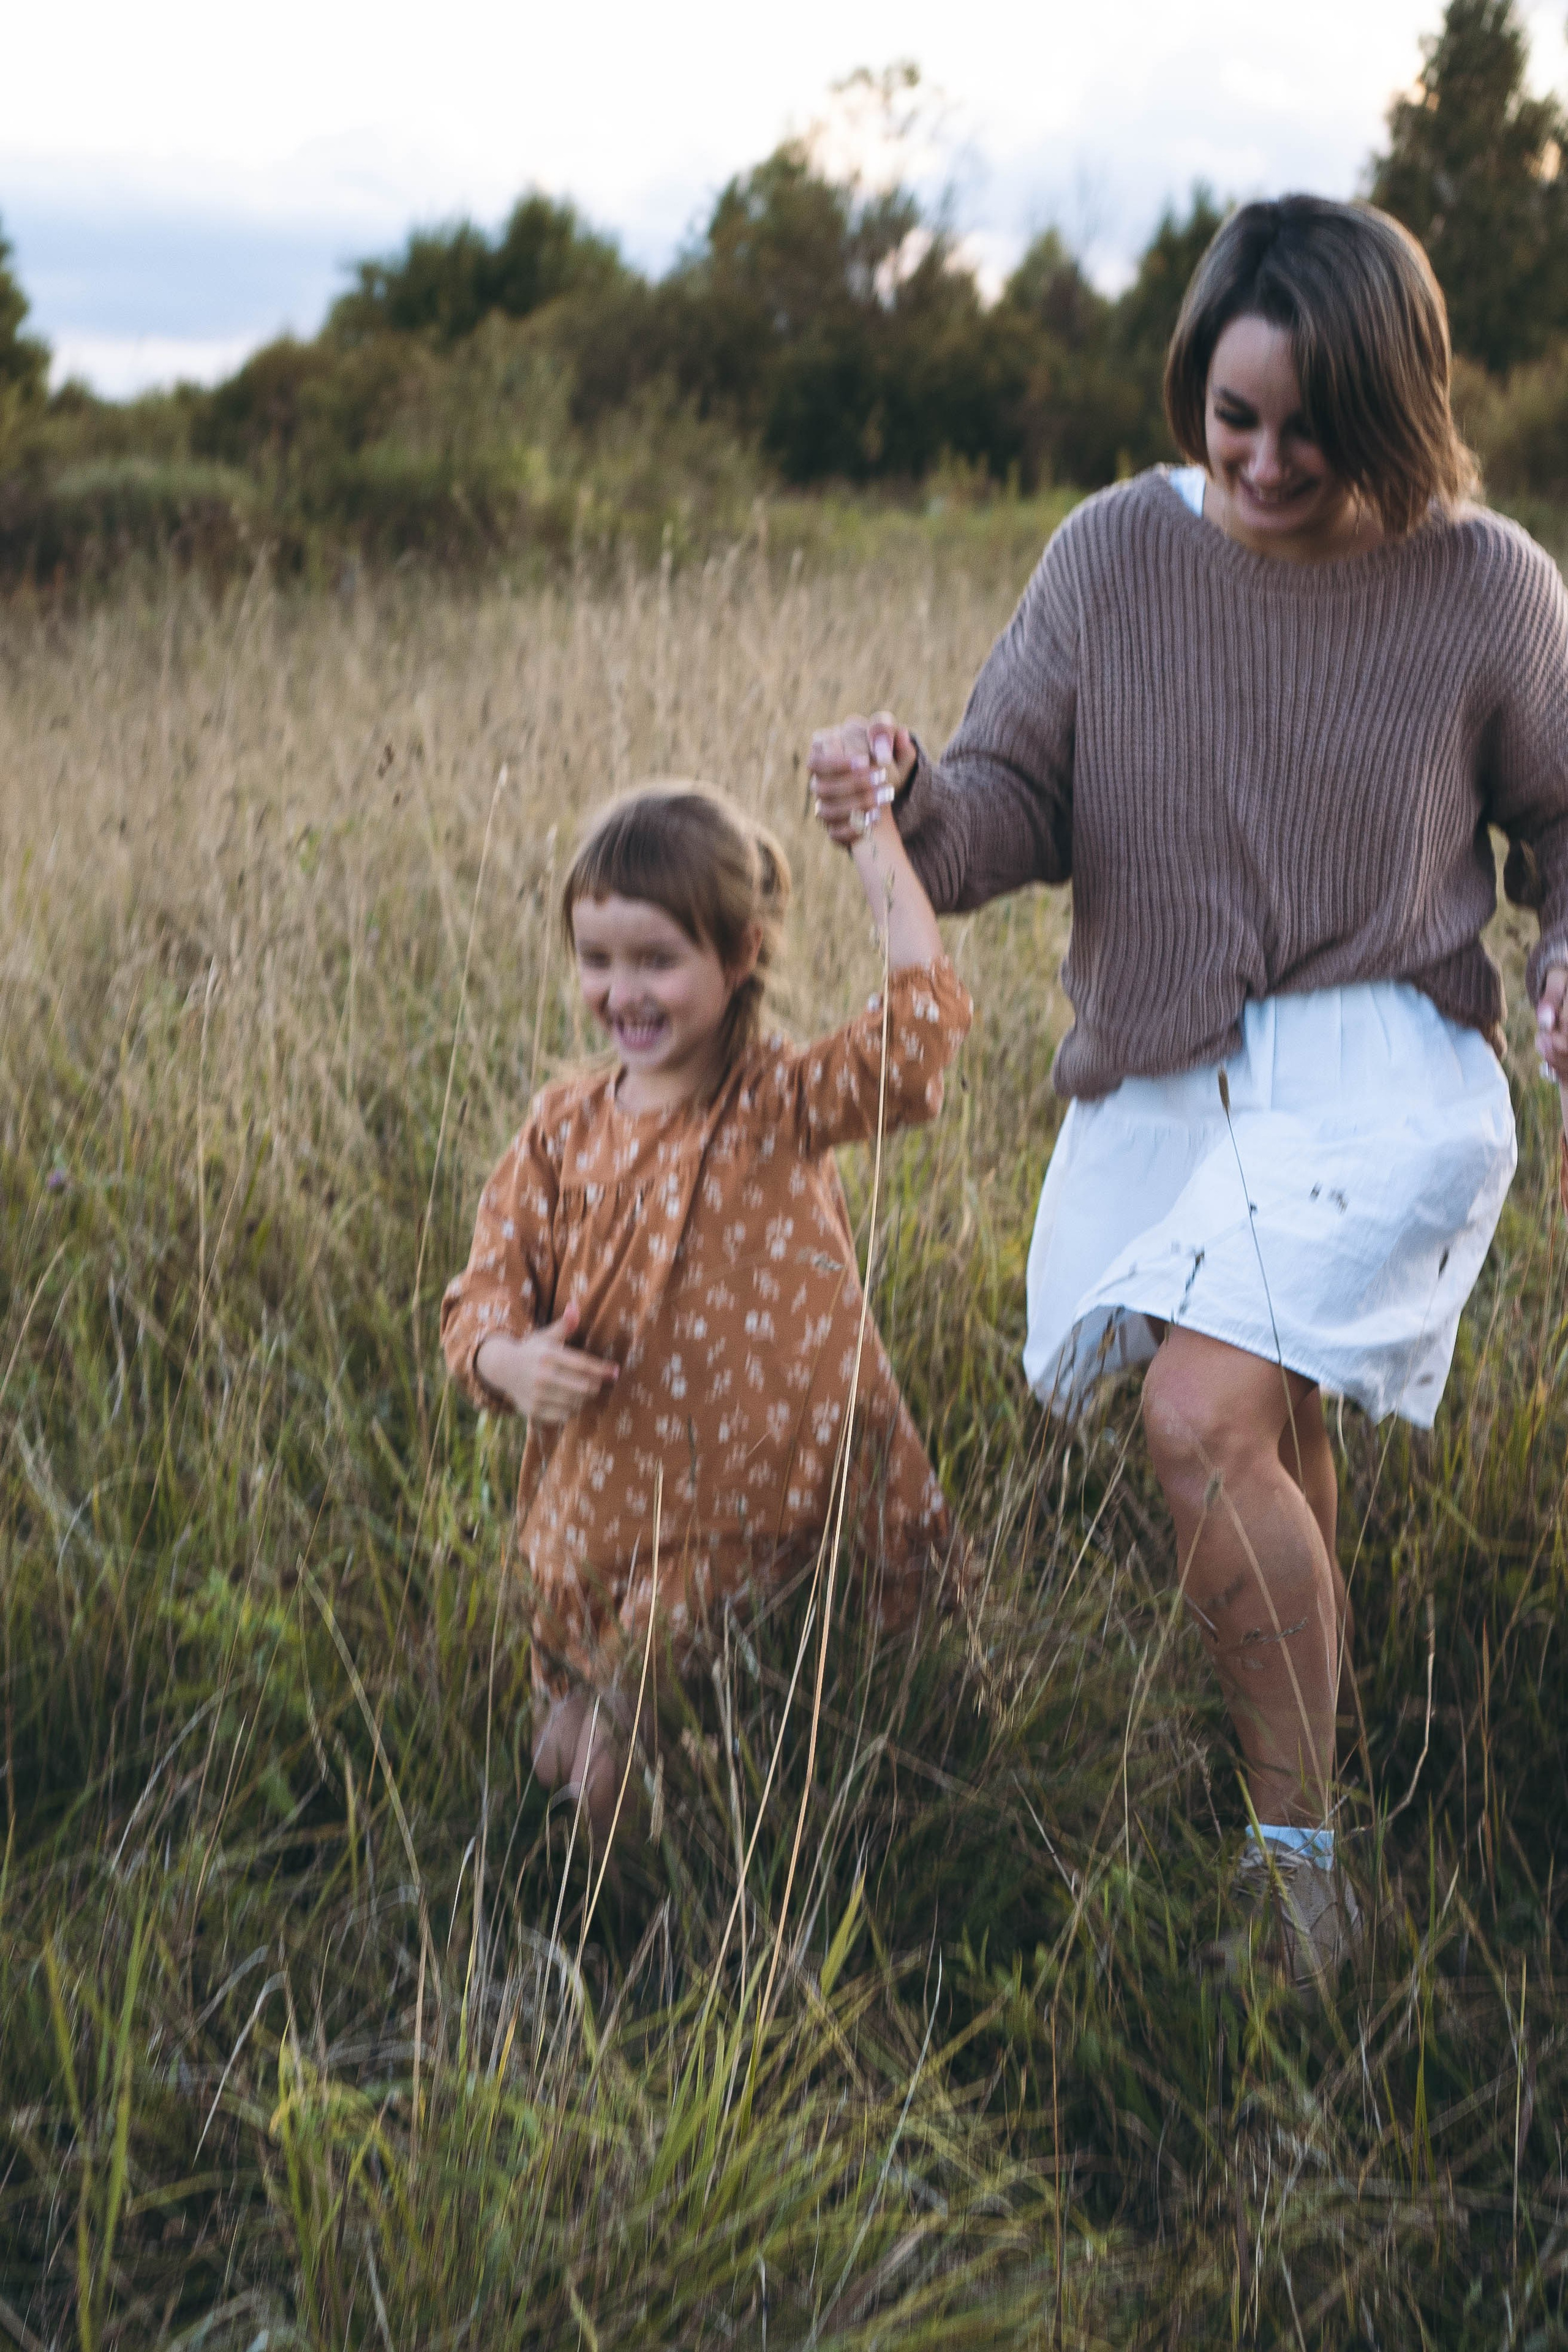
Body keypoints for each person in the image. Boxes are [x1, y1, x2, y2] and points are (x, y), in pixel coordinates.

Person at [808, 195, 1568, 1986]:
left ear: (1397, 409)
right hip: (1172, 1073)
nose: (1267, 462)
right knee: (1270, 1437)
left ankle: (1300, 1883)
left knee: (1200, 1420)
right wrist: (900, 790)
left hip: (1385, 1072)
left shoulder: (1487, 584)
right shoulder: (1112, 556)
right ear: (1191, 392)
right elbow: (1002, 809)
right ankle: (1321, 1803)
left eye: (1316, 428)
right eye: (1236, 418)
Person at [440, 781, 970, 1839]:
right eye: (597, 959)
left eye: (657, 960)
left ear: (739, 957)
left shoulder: (777, 1104)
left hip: (749, 1522)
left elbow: (917, 1039)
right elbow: (483, 1291)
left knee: (607, 1768)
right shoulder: (562, 1129)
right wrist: (507, 1361)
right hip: (602, 1518)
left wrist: (871, 833)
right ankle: (668, 1878)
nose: (623, 991)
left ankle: (687, 1924)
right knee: (559, 1756)